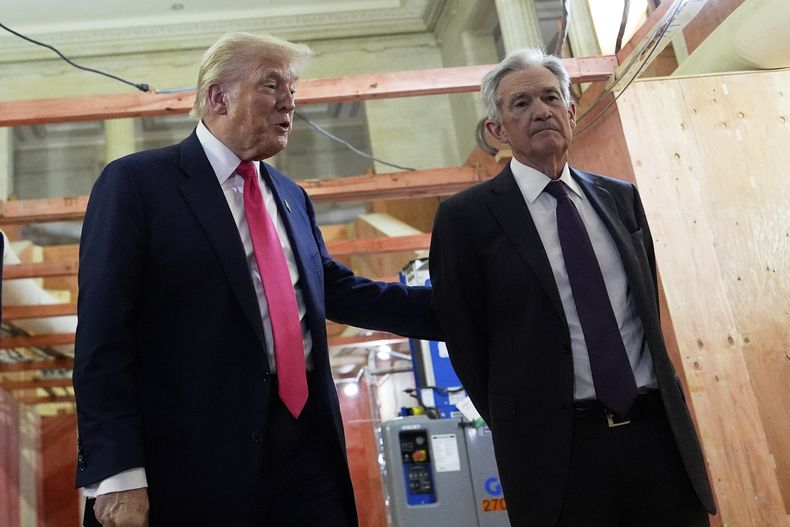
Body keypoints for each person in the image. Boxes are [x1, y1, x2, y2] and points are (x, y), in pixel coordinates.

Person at [73, 32, 440, 527]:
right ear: (218, 96)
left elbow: (333, 288)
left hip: (309, 452)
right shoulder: (137, 184)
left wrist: (461, 308)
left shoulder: (290, 195)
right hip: (193, 463)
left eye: (293, 89)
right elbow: (102, 336)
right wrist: (117, 473)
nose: (290, 102)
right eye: (272, 86)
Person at [429, 48, 716, 526]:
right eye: (520, 104)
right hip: (557, 453)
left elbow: (643, 308)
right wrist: (522, 418)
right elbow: (465, 340)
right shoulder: (465, 219)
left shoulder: (620, 199)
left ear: (571, 110)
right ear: (496, 130)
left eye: (550, 98)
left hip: (655, 438)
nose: (540, 111)